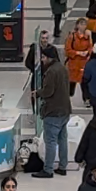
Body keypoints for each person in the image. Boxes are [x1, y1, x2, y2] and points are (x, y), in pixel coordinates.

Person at [36, 45, 72, 178]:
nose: (42, 59)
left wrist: (38, 93)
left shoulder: (51, 72)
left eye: (43, 57)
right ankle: (62, 166)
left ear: (49, 57)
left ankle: (48, 169)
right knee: (62, 139)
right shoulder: (63, 68)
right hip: (65, 109)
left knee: (50, 141)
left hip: (53, 111)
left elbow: (48, 91)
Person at [66, 18, 94, 100]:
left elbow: (91, 48)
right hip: (74, 62)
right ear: (77, 25)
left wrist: (87, 52)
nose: (83, 26)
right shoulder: (72, 36)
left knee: (84, 81)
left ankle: (86, 98)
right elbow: (67, 50)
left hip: (84, 63)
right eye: (81, 24)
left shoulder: (87, 36)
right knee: (72, 81)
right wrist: (78, 53)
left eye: (85, 24)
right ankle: (69, 96)